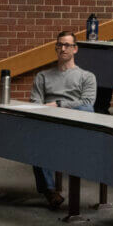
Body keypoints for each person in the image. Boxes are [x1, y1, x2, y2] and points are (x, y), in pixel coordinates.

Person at [30, 31, 97, 208]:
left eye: (67, 45)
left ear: (75, 49)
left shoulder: (87, 77)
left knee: (88, 109)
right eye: (59, 45)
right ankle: (50, 191)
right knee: (35, 140)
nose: (63, 48)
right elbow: (36, 104)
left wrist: (59, 105)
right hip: (49, 124)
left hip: (75, 125)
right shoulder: (42, 76)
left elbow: (88, 104)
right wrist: (50, 109)